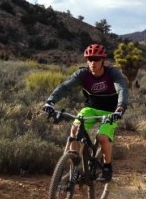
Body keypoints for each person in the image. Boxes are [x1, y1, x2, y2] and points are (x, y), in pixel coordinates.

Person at [42, 44, 129, 182]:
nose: (93, 63)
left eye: (96, 59)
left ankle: (107, 168)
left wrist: (120, 108)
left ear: (103, 60)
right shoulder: (82, 74)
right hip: (90, 109)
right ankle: (74, 165)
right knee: (75, 129)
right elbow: (65, 86)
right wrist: (50, 101)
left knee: (102, 137)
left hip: (111, 111)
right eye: (90, 59)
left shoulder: (113, 73)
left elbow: (122, 89)